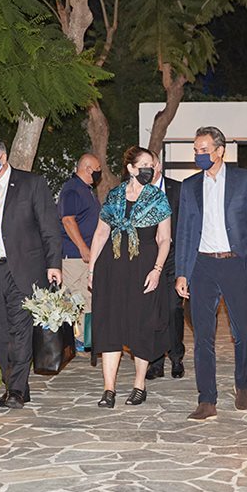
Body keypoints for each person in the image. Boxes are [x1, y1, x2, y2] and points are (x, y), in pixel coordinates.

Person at [175, 126, 247, 421]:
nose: (199, 155)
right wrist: (182, 273)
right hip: (202, 266)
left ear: (220, 150)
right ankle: (207, 399)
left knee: (242, 332)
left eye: (204, 149)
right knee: (203, 335)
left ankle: (242, 386)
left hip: (234, 263)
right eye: (196, 150)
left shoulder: (245, 180)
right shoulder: (190, 186)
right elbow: (184, 232)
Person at [0, 137, 62, 410]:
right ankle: (16, 386)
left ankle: (15, 390)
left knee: (20, 330)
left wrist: (54, 264)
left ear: (3, 158)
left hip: (24, 268)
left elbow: (50, 227)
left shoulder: (31, 183)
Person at [88, 146, 172, 408]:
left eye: (152, 165)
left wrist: (157, 270)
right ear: (131, 169)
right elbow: (101, 233)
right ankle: (109, 389)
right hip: (112, 268)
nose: (150, 169)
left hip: (144, 267)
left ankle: (139, 385)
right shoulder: (114, 196)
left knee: (141, 325)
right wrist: (92, 270)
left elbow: (164, 239)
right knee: (110, 326)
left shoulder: (158, 198)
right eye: (145, 165)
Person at [146, 151, 185, 380]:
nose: (146, 169)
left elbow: (187, 226)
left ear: (158, 165)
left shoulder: (178, 190)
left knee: (172, 309)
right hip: (146, 260)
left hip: (173, 258)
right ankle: (155, 361)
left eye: (150, 164)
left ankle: (176, 356)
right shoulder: (137, 190)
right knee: (152, 311)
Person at [57, 153, 102, 350]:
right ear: (88, 169)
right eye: (98, 169)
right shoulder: (72, 189)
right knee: (73, 296)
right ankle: (73, 340)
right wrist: (83, 247)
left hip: (86, 256)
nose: (100, 172)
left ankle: (85, 340)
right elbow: (68, 220)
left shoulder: (87, 190)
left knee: (86, 296)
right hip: (74, 255)